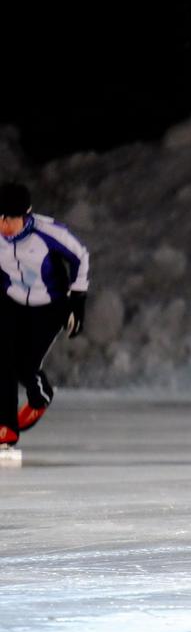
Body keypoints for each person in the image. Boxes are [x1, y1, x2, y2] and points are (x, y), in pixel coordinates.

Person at [0, 182, 89, 448]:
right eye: (0, 218)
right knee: (3, 359)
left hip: (49, 305)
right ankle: (6, 427)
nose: (4, 225)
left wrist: (77, 301)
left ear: (26, 215)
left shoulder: (48, 233)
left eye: (10, 219)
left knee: (24, 366)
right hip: (11, 300)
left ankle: (40, 396)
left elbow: (80, 256)